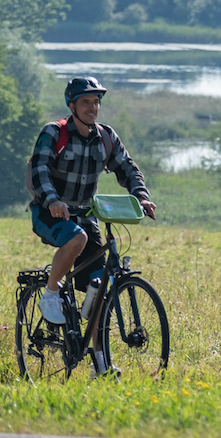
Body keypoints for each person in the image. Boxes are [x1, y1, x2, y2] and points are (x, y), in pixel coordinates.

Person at [28, 75, 156, 372]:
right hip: (49, 212)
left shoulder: (106, 137)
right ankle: (50, 293)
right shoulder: (54, 133)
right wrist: (53, 200)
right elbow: (39, 171)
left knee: (102, 289)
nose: (92, 107)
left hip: (85, 215)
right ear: (71, 105)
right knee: (77, 239)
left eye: (96, 102)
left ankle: (100, 362)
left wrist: (142, 196)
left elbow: (128, 168)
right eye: (85, 102)